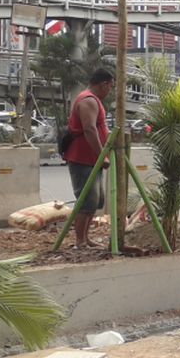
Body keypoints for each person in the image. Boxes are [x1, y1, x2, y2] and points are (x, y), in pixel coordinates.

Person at [65, 68, 114, 248]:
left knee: (95, 200)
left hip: (92, 159)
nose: (110, 91)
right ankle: (80, 241)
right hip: (83, 158)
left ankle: (86, 238)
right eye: (110, 86)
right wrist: (102, 155)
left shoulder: (94, 101)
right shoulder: (88, 101)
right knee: (86, 200)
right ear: (104, 84)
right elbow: (89, 129)